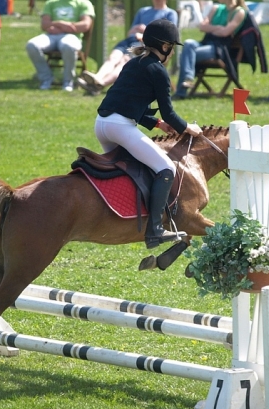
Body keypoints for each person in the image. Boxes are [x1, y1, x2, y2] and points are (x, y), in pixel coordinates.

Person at [95, 19, 202, 249]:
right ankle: (154, 230)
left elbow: (130, 104)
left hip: (102, 124)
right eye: (172, 47)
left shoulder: (133, 63)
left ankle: (124, 211)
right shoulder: (158, 70)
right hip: (120, 127)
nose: (172, 52)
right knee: (166, 168)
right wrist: (188, 128)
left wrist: (157, 125)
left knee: (131, 167)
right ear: (164, 46)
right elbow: (170, 113)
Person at [77, 0, 177, 96]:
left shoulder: (169, 13)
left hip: (148, 46)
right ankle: (97, 77)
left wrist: (146, 34)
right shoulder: (143, 11)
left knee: (124, 60)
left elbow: (169, 37)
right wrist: (139, 32)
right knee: (114, 57)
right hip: (131, 41)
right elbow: (131, 32)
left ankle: (100, 84)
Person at [173, 0, 247, 100]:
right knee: (188, 43)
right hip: (205, 43)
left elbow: (226, 32)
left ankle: (181, 91)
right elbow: (202, 27)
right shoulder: (216, 8)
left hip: (219, 49)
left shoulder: (239, 12)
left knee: (185, 54)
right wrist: (218, 28)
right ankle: (188, 78)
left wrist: (211, 28)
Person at [26, 0, 95, 92]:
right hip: (51, 36)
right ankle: (46, 79)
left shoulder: (83, 3)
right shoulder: (51, 3)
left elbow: (85, 25)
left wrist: (61, 26)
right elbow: (44, 24)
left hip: (72, 36)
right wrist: (62, 24)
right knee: (32, 45)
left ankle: (68, 82)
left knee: (68, 46)